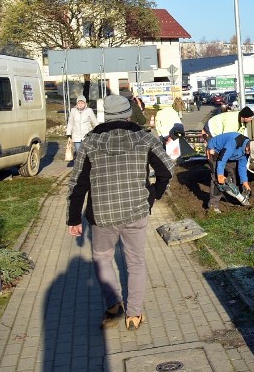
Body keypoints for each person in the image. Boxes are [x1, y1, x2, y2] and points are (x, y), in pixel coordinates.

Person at [66, 94, 177, 331]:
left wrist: (74, 218)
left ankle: (114, 304)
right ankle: (134, 314)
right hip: (136, 210)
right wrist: (153, 195)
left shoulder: (90, 141)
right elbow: (167, 169)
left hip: (102, 214)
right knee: (135, 262)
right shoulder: (144, 137)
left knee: (102, 258)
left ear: (106, 114)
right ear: (128, 113)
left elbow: (78, 183)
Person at [206, 132, 254, 213]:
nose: (249, 154)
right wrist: (220, 175)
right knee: (217, 180)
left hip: (229, 155)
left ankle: (235, 198)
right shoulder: (234, 142)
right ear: (248, 148)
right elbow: (222, 159)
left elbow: (242, 166)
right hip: (215, 151)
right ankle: (213, 205)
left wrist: (245, 182)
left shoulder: (247, 150)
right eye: (250, 153)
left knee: (234, 175)